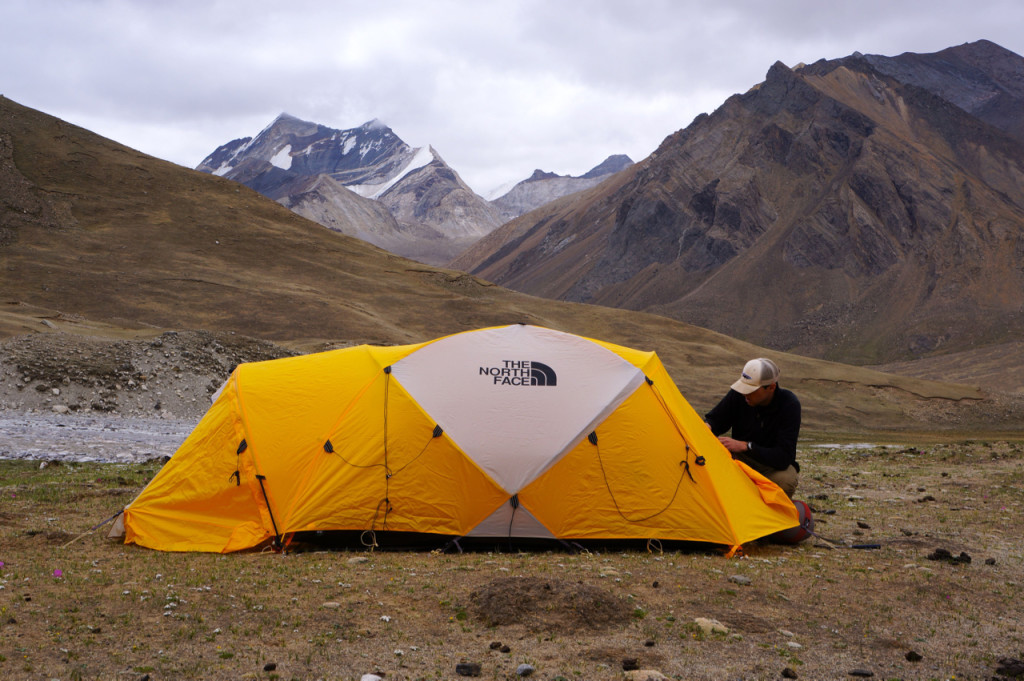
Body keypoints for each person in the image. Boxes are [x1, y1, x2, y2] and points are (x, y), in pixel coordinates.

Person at [704, 358, 801, 497]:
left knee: (786, 480)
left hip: (770, 465)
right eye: (744, 388)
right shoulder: (740, 395)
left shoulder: (789, 404)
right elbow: (716, 420)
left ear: (771, 387)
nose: (745, 394)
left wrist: (747, 446)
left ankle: (771, 512)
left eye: (751, 390)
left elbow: (784, 457)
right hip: (739, 459)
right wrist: (707, 427)